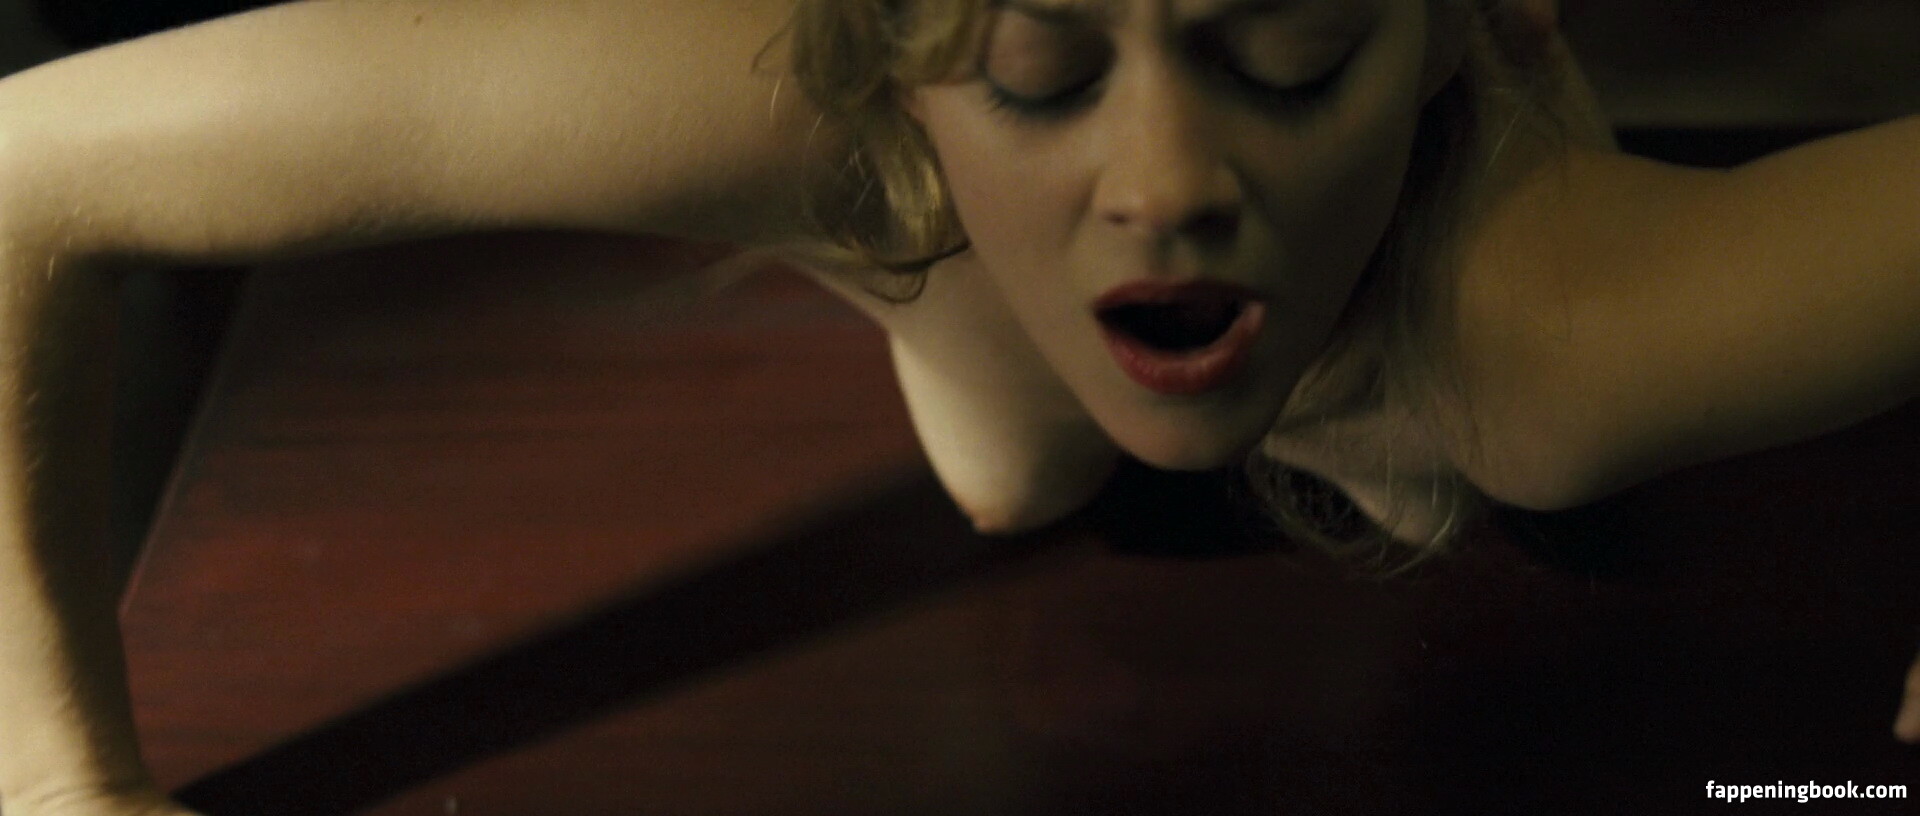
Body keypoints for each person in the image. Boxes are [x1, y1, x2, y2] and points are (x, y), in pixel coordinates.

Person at [0, 1, 1913, 813]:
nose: (1165, 182)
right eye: (1040, 68)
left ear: (1452, 35)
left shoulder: (1563, 343)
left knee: (1471, 429)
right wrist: (56, 785)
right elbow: (29, 173)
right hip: (944, 258)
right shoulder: (799, 116)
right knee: (1007, 461)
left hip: (1431, 335)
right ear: (887, 61)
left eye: (1289, 52)